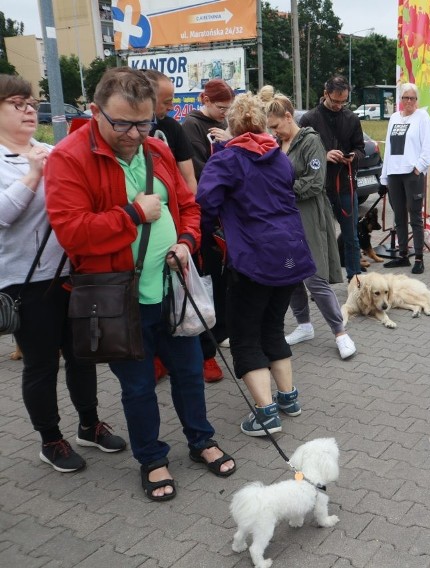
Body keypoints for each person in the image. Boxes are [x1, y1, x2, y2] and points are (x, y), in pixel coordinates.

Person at [44, 67, 235, 501]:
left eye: (144, 122)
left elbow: (187, 204)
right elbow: (71, 232)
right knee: (137, 386)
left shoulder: (156, 148)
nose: (134, 133)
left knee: (189, 373)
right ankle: (152, 458)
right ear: (95, 112)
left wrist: (187, 240)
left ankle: (201, 440)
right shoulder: (68, 158)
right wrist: (131, 215)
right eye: (123, 123)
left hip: (173, 289)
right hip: (119, 299)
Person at [1, 75, 127, 473]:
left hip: (72, 272)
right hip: (25, 279)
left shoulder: (51, 149)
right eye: (17, 103)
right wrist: (33, 175)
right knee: (41, 363)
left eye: (31, 102)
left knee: (82, 355)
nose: (27, 110)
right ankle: (49, 439)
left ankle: (89, 424)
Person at [196, 93, 316, 437]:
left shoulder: (228, 160)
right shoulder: (278, 157)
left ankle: (265, 415)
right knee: (273, 326)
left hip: (253, 258)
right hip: (290, 254)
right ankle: (288, 398)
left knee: (245, 335)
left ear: (230, 126)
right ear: (262, 124)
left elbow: (205, 201)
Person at [265, 94, 357, 359]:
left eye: (276, 126)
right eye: (270, 128)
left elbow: (315, 183)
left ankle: (340, 333)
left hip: (308, 218)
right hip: (286, 220)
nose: (274, 132)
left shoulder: (311, 141)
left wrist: (279, 191)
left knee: (314, 277)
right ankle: (304, 325)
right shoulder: (278, 143)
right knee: (291, 275)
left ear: (287, 116)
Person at [181, 79, 235, 382]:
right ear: (205, 100)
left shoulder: (224, 124)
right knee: (210, 278)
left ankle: (223, 329)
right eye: (220, 107)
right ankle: (210, 338)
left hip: (223, 214)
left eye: (228, 109)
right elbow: (202, 173)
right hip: (206, 215)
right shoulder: (191, 126)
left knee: (224, 277)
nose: (223, 113)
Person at [300, 75, 366, 280]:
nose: (338, 105)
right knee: (319, 237)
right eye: (335, 101)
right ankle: (320, 280)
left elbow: (360, 149)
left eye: (343, 101)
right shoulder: (309, 119)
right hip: (319, 187)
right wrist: (324, 155)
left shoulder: (352, 119)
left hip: (346, 185)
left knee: (351, 236)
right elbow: (300, 153)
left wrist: (353, 156)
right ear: (325, 93)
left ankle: (355, 279)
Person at [379, 82, 430, 274]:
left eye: (412, 98)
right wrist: (384, 176)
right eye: (405, 98)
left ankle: (419, 257)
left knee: (415, 216)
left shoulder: (422, 117)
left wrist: (418, 168)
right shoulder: (394, 118)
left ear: (417, 100)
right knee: (399, 216)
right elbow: (388, 148)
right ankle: (403, 255)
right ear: (400, 100)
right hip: (394, 173)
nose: (409, 101)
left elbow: (429, 146)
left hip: (412, 174)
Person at [143, 69, 197, 194]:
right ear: (147, 98)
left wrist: (191, 210)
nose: (171, 107)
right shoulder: (123, 133)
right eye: (166, 102)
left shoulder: (172, 127)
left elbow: (189, 179)